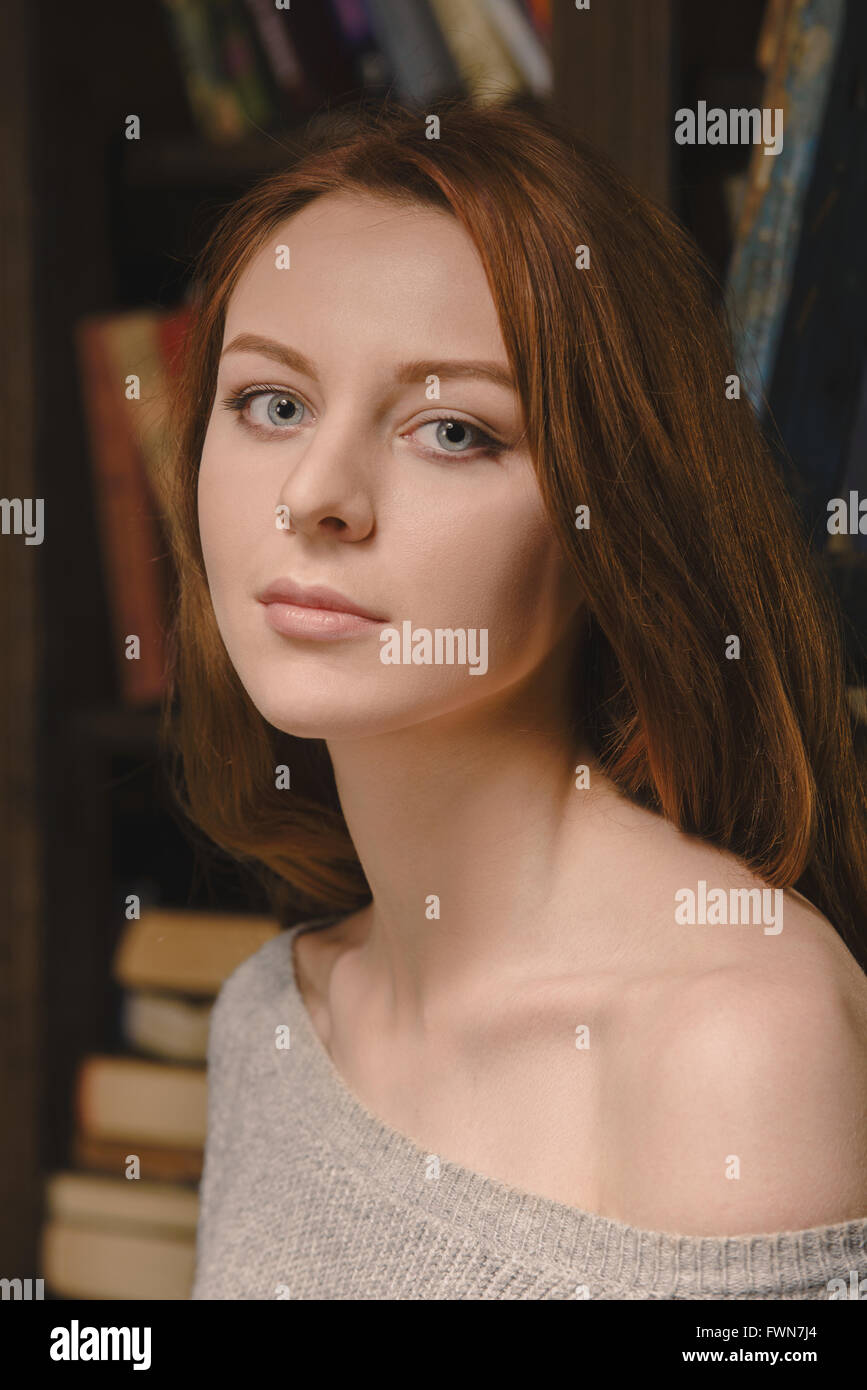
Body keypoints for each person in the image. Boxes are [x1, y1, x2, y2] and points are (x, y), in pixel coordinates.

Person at [156, 100, 867, 1300]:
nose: (319, 496)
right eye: (272, 404)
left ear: (611, 518)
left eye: (451, 429)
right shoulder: (266, 1022)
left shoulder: (737, 1045)